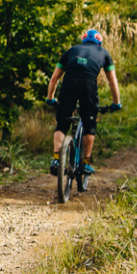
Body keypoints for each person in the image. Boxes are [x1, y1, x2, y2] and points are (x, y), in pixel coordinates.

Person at [44, 27, 122, 179]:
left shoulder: (71, 51)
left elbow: (54, 79)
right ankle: (86, 162)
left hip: (68, 84)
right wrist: (116, 103)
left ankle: (56, 158)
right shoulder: (104, 53)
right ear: (99, 43)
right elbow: (112, 81)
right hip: (88, 85)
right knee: (89, 123)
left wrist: (50, 98)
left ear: (83, 41)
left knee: (62, 123)